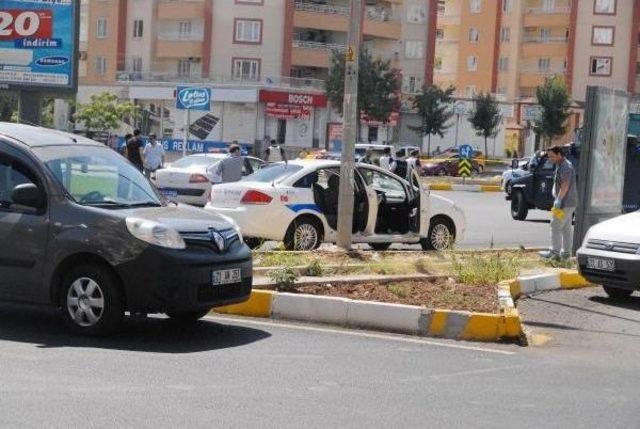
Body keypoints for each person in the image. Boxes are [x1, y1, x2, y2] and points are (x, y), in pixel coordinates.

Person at [539, 146, 578, 260]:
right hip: (568, 203)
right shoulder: (562, 164)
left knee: (555, 225)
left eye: (552, 156)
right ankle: (566, 253)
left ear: (559, 154)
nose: (550, 158)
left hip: (564, 204)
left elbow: (565, 185)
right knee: (566, 227)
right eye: (549, 156)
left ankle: (554, 252)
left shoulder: (565, 166)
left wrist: (558, 200)